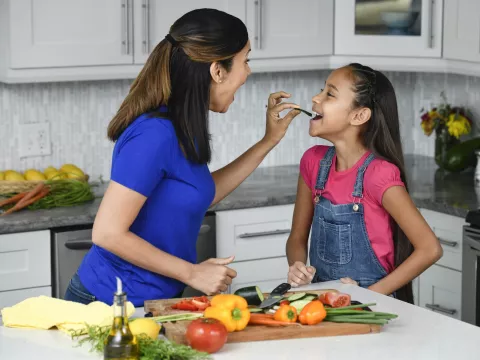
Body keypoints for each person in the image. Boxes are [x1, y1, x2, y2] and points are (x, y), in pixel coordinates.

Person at [64, 8, 301, 307]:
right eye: (246, 60)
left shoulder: (179, 126)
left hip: (152, 300)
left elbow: (203, 192)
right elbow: (108, 233)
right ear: (217, 70)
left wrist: (270, 140)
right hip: (108, 304)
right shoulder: (155, 134)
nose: (248, 72)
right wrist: (192, 273)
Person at [285, 63, 443, 303]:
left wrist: (365, 296)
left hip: (371, 306)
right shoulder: (313, 163)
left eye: (330, 94)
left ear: (359, 115)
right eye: (322, 90)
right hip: (323, 303)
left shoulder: (379, 175)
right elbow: (297, 238)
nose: (316, 98)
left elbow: (430, 249)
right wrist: (297, 266)